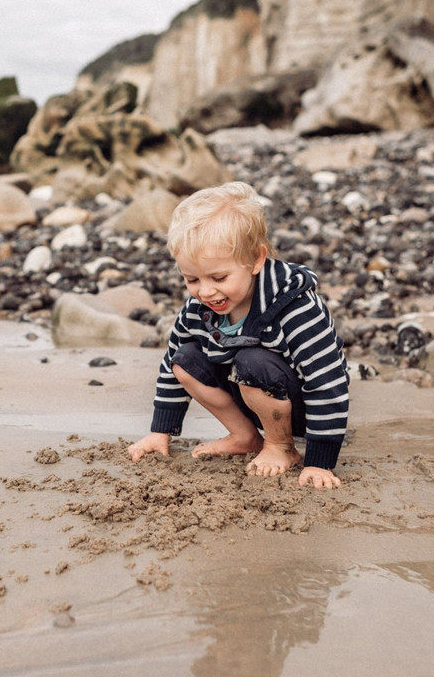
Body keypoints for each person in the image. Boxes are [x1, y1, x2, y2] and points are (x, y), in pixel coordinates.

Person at [127, 181, 349, 488]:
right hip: (247, 395)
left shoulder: (295, 308)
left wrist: (320, 462)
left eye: (219, 277)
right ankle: (245, 436)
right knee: (183, 359)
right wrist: (159, 431)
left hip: (300, 406)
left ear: (256, 260)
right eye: (192, 279)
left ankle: (281, 446)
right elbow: (169, 367)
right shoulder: (198, 309)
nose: (205, 291)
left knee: (251, 360)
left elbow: (327, 383)